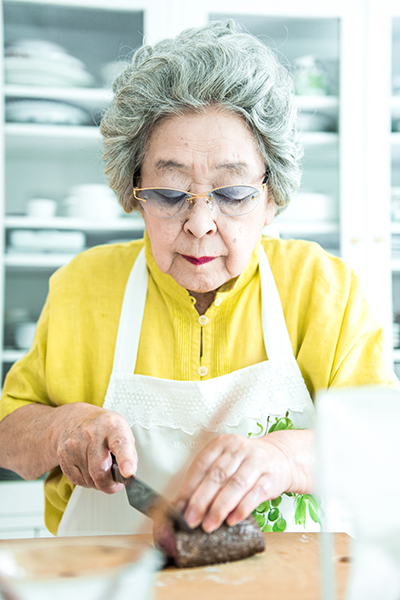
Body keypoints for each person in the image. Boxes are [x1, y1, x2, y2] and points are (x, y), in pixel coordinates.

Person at [0, 20, 397, 537]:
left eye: (233, 193)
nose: (200, 223)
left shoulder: (322, 288)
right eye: (169, 194)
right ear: (132, 190)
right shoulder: (84, 286)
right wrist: (60, 430)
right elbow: (9, 434)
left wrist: (286, 458)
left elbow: (383, 444)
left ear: (271, 197)